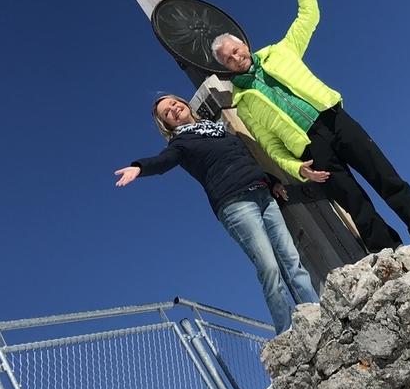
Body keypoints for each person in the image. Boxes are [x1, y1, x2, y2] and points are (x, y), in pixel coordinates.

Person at [211, 0, 410, 252]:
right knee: (354, 202)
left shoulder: (281, 51)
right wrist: (298, 169)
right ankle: (393, 254)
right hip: (310, 148)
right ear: (225, 67)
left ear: (244, 43)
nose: (236, 58)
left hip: (334, 119)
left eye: (236, 50)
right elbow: (270, 145)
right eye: (228, 59)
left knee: (386, 177)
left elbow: (309, 16)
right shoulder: (243, 103)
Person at [114, 94, 318, 334]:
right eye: (167, 113)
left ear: (185, 103)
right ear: (167, 125)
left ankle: (316, 313)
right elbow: (163, 161)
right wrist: (140, 167)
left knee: (291, 259)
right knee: (269, 267)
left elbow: (243, 160)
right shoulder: (181, 144)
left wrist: (271, 181)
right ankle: (287, 331)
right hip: (235, 204)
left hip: (263, 195)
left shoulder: (220, 131)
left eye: (174, 103)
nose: (174, 109)